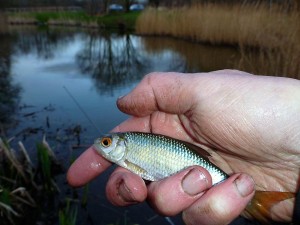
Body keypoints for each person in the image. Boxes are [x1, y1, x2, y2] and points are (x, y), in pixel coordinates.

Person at [67, 70, 300, 225]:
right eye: (106, 143)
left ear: (120, 145)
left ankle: (253, 201)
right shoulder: (128, 151)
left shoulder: (129, 150)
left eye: (107, 143)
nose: (102, 145)